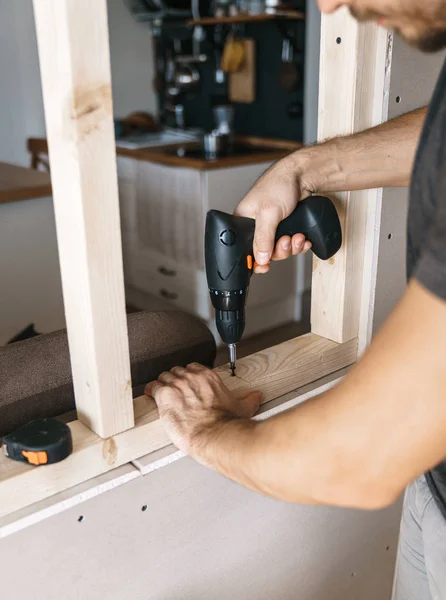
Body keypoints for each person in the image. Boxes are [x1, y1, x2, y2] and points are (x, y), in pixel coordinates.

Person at [146, 1, 446, 597]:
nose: (329, 4)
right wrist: (304, 170)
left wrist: (209, 432)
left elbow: (363, 457)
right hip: (434, 489)